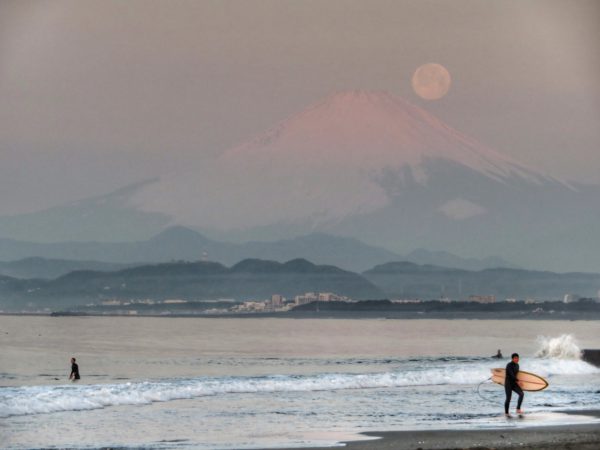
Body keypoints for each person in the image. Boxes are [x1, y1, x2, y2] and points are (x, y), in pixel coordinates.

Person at [504, 352, 523, 417]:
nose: (517, 359)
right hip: (508, 384)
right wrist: (518, 381)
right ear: (512, 359)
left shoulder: (517, 365)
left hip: (514, 383)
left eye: (517, 358)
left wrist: (519, 382)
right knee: (508, 399)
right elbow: (511, 375)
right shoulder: (509, 365)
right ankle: (506, 413)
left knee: (521, 394)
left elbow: (516, 375)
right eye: (515, 358)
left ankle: (518, 409)